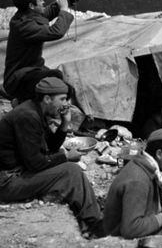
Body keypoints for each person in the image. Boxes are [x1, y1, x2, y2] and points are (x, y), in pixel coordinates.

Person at [0, 77, 103, 237]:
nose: (66, 104)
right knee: (71, 171)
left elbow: (50, 148)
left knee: (66, 168)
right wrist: (66, 156)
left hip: (19, 172)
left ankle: (88, 221)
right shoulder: (27, 116)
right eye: (62, 99)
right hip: (7, 182)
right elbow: (36, 163)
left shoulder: (35, 110)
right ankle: (95, 224)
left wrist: (65, 123)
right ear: (47, 99)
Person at [4, 0, 84, 103]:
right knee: (58, 80)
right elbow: (56, 32)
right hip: (18, 80)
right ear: (31, 5)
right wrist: (64, 10)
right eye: (40, 0)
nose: (43, 2)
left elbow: (48, 12)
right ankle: (20, 100)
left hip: (32, 71)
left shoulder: (27, 14)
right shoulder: (24, 26)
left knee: (65, 86)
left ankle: (23, 99)